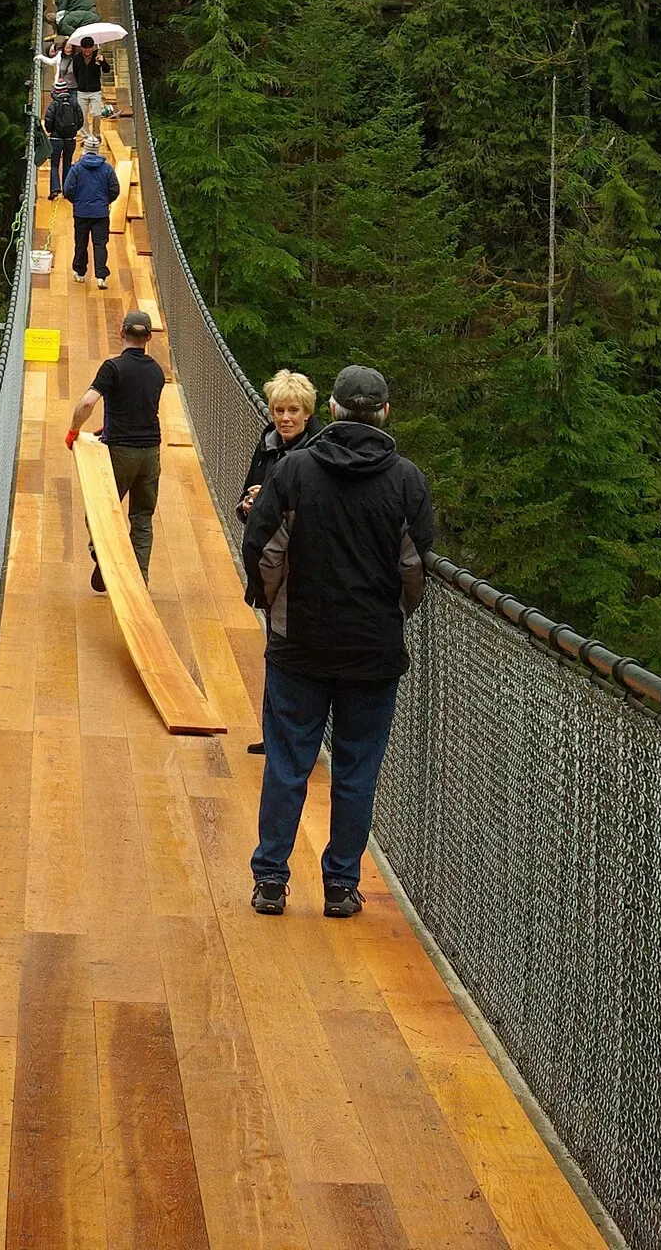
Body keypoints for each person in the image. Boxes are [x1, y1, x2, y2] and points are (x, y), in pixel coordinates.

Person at [242, 364, 432, 921]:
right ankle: (341, 886)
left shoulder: (295, 471)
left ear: (330, 411)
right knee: (355, 769)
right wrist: (391, 615)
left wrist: (277, 607)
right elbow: (416, 567)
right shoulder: (406, 480)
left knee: (286, 762)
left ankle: (271, 881)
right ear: (385, 413)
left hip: (299, 644)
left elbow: (263, 550)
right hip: (373, 652)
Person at [235, 370, 324, 756]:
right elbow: (247, 502)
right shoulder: (267, 443)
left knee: (294, 655)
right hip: (271, 568)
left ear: (307, 413)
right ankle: (274, 737)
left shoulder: (319, 453)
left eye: (292, 411)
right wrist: (249, 505)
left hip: (305, 570)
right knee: (275, 649)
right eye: (278, 410)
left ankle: (293, 739)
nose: (284, 418)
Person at [66, 307, 165, 589]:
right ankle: (140, 579)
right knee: (142, 517)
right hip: (151, 452)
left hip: (119, 452)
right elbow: (140, 407)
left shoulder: (113, 368)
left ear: (122, 333)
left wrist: (74, 431)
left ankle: (104, 556)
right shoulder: (157, 371)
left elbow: (87, 402)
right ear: (148, 338)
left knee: (99, 511)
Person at [62, 132, 120, 291]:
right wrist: (105, 202)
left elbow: (67, 190)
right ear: (98, 150)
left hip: (81, 212)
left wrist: (77, 202)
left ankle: (80, 272)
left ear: (85, 150)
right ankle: (101, 277)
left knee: (81, 243)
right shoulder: (107, 169)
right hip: (101, 213)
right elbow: (115, 189)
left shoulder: (77, 169)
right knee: (100, 244)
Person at [42, 78, 83, 198]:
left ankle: (54, 189)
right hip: (70, 139)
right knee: (67, 163)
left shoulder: (54, 104)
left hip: (56, 139)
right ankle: (67, 190)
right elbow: (80, 120)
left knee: (54, 164)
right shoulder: (74, 103)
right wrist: (73, 131)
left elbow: (48, 122)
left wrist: (51, 131)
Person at [70, 34, 113, 137]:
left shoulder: (97, 56)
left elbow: (107, 70)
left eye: (89, 48)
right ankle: (85, 136)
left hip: (95, 91)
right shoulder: (77, 58)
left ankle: (96, 134)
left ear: (92, 47)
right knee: (82, 116)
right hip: (81, 91)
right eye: (85, 48)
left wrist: (102, 61)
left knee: (96, 114)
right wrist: (80, 83)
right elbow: (76, 72)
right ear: (81, 48)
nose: (87, 51)